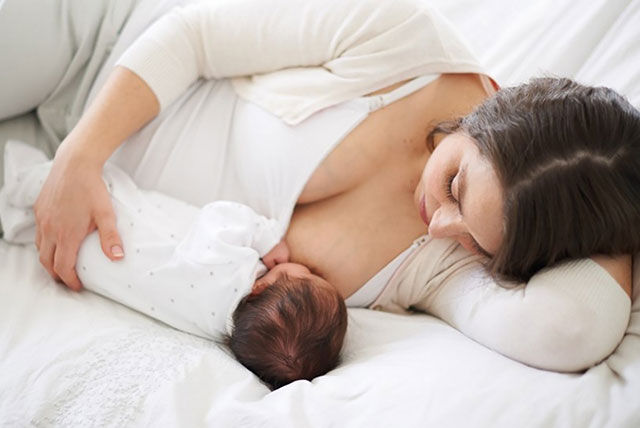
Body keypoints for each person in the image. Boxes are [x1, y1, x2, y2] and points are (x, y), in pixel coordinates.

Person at [0, 0, 637, 373]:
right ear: (492, 98)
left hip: (56, 140)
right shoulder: (401, 41)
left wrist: (611, 216)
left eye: (479, 240)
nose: (439, 225)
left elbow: (570, 328)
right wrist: (78, 160)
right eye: (454, 185)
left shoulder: (440, 268)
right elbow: (192, 36)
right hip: (98, 40)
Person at [0, 141, 347, 390]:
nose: (296, 263)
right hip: (88, 266)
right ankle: (17, 217)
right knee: (46, 227)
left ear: (260, 286)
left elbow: (220, 216)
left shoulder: (232, 266)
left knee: (46, 181)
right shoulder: (214, 330)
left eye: (298, 272)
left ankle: (18, 182)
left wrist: (267, 237)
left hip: (111, 220)